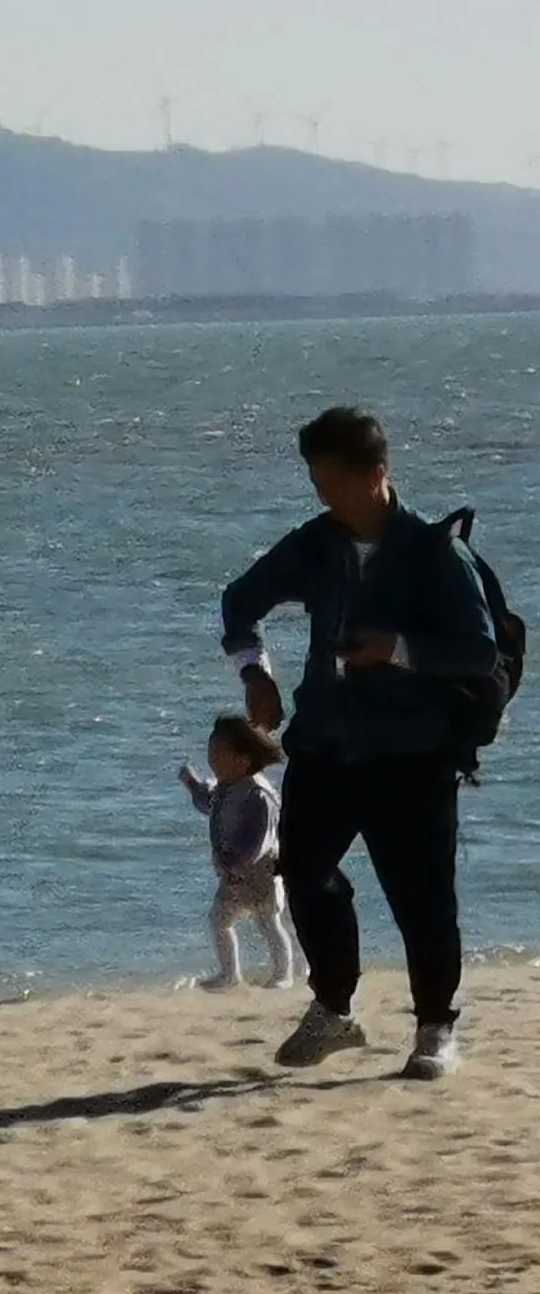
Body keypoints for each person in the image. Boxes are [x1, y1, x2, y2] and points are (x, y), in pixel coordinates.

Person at [221, 404, 499, 1079]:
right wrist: (256, 672)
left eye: (331, 479)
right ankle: (335, 1009)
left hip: (413, 754)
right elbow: (239, 600)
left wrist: (397, 650)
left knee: (423, 898)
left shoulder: (436, 553)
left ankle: (435, 1028)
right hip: (322, 745)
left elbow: (479, 652)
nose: (321, 493)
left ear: (376, 474)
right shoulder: (314, 545)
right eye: (314, 478)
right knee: (305, 873)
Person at [176, 714, 293, 991]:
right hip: (232, 873)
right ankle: (229, 974)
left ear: (242, 760)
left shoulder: (258, 794)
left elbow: (262, 836)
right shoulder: (224, 788)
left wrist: (242, 859)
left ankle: (283, 974)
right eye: (211, 756)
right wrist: (191, 783)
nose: (212, 763)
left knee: (268, 922)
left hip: (262, 871)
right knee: (219, 919)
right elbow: (207, 802)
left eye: (218, 757)